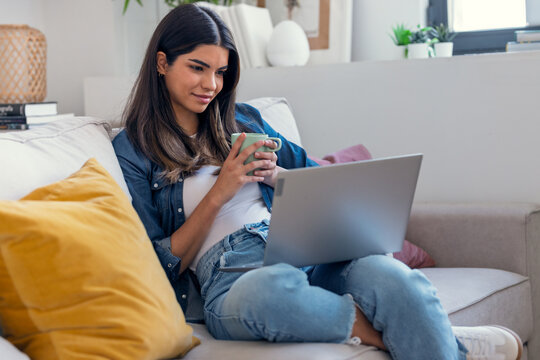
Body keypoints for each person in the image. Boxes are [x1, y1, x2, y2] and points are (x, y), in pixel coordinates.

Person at [112, 4, 522, 360]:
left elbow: (323, 180)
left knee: (393, 278)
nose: (211, 85)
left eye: (220, 72)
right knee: (271, 289)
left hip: (300, 251)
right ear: (162, 63)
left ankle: (428, 335)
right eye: (197, 68)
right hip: (233, 279)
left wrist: (279, 178)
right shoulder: (134, 148)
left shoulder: (245, 121)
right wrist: (220, 193)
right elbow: (159, 265)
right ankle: (418, 339)